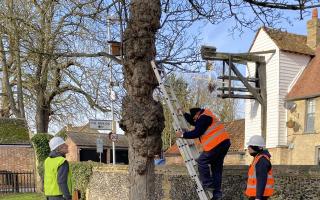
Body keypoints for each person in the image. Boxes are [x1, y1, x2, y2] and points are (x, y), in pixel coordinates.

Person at [176, 107, 231, 200]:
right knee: (216, 169)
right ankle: (217, 195)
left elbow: (197, 132)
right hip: (224, 143)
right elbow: (195, 122)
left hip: (216, 144)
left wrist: (183, 135)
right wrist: (184, 113)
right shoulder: (205, 115)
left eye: (195, 118)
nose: (194, 121)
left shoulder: (204, 117)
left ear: (197, 114)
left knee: (202, 161)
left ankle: (208, 184)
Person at [245, 135, 274, 200]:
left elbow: (261, 180)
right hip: (257, 195)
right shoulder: (258, 158)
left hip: (259, 196)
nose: (248, 148)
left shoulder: (261, 160)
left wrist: (258, 198)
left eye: (250, 146)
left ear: (257, 147)